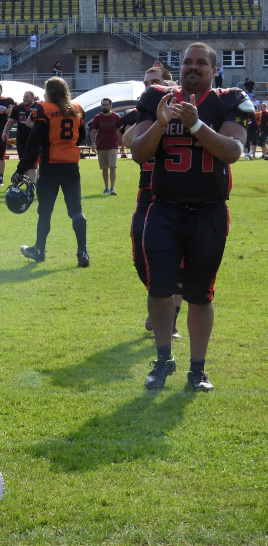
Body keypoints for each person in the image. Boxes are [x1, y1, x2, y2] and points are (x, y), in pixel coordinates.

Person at [131, 42, 251, 391]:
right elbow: (138, 153)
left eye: (200, 63)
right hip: (164, 207)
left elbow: (232, 151)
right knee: (159, 287)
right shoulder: (157, 98)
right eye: (187, 62)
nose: (192, 67)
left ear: (214, 70)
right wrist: (160, 123)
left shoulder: (229, 100)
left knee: (201, 292)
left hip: (210, 209)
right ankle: (163, 359)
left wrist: (196, 124)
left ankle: (197, 369)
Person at [120, 66, 185, 338]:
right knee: (141, 256)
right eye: (146, 83)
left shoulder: (185, 108)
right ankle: (160, 300)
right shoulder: (144, 112)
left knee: (181, 262)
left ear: (170, 83)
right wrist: (152, 118)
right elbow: (127, 140)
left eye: (155, 82)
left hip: (178, 191)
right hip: (147, 190)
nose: (149, 87)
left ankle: (170, 319)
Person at [15, 77, 89, 268]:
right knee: (76, 211)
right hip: (71, 165)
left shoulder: (43, 110)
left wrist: (21, 169)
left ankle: (39, 249)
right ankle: (82, 251)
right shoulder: (76, 109)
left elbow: (33, 143)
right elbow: (81, 136)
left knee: (45, 211)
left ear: (48, 92)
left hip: (50, 166)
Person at [2, 90, 37, 182]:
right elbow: (10, 121)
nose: (24, 98)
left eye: (27, 97)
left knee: (33, 163)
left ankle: (33, 183)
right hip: (22, 139)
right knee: (23, 161)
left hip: (34, 138)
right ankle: (28, 182)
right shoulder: (18, 108)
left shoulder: (37, 107)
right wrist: (4, 132)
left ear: (32, 98)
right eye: (24, 96)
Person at [90, 98, 121, 195]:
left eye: (106, 105)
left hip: (113, 145)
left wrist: (122, 144)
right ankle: (106, 188)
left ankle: (112, 188)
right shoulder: (97, 117)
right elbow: (93, 131)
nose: (104, 106)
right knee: (104, 168)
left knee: (112, 166)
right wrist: (92, 144)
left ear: (110, 105)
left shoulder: (116, 117)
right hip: (101, 146)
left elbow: (119, 131)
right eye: (103, 105)